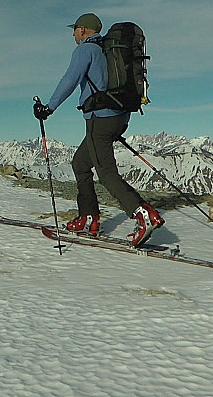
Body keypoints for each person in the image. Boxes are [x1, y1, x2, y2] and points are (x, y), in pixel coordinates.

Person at [33, 13, 164, 247]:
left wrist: (48, 108)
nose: (73, 34)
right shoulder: (106, 49)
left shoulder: (85, 51)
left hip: (99, 118)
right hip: (119, 116)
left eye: (75, 29)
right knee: (80, 164)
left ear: (83, 30)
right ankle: (89, 218)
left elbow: (70, 80)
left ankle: (144, 214)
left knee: (106, 173)